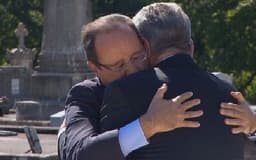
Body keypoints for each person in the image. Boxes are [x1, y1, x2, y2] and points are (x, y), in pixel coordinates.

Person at [100, 2, 256, 160]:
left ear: (146, 47)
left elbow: (99, 153)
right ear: (191, 46)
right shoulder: (228, 92)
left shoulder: (125, 91)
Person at [58, 14, 204, 160]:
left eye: (137, 57)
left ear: (146, 48)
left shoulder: (164, 81)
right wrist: (149, 124)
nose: (132, 70)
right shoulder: (87, 95)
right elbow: (80, 155)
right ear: (95, 68)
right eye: (118, 65)